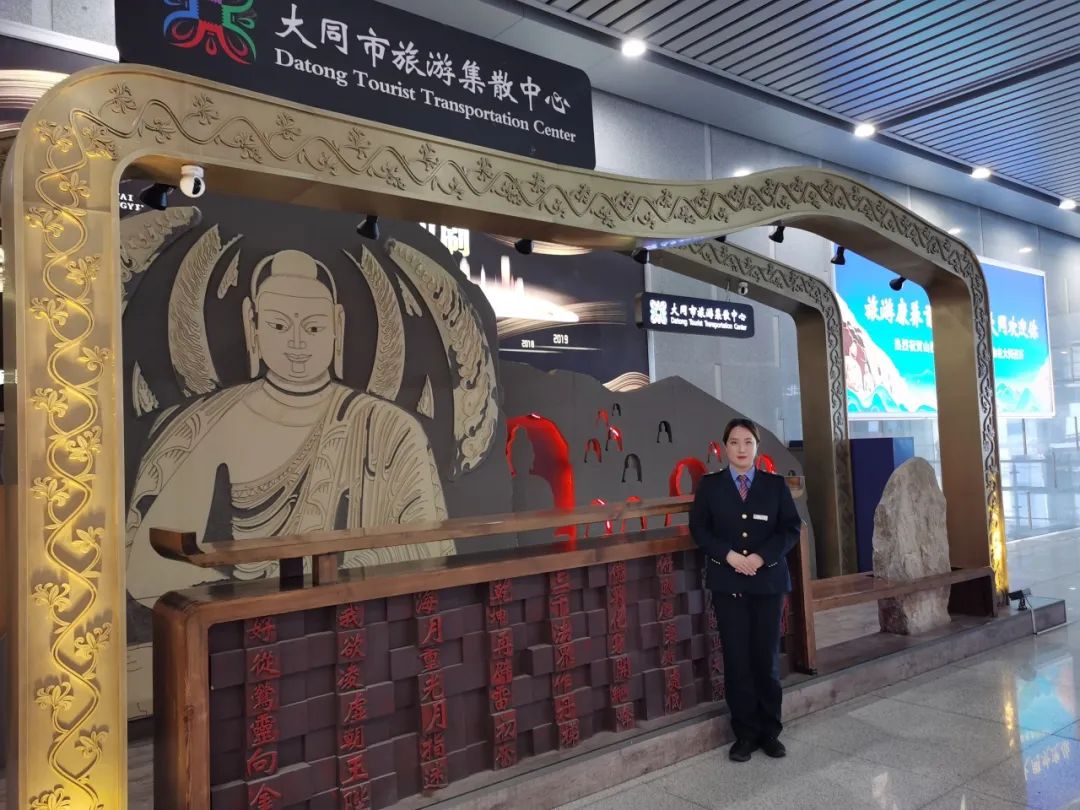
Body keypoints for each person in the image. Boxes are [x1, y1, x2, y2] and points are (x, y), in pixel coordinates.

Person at [125, 249, 453, 605]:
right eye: (279, 326)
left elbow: (426, 554)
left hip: (357, 613)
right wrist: (247, 601)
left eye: (314, 327)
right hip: (246, 619)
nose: (297, 342)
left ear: (337, 326)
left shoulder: (390, 427)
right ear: (252, 324)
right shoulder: (211, 420)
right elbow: (147, 567)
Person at [689, 418, 802, 762]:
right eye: (735, 442)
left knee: (766, 660)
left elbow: (790, 529)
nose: (741, 449)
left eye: (748, 442)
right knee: (737, 660)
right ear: (725, 447)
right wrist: (730, 556)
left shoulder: (774, 485)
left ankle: (770, 732)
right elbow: (699, 529)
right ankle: (745, 734)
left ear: (757, 447)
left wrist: (759, 557)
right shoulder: (710, 486)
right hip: (728, 582)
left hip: (767, 583)